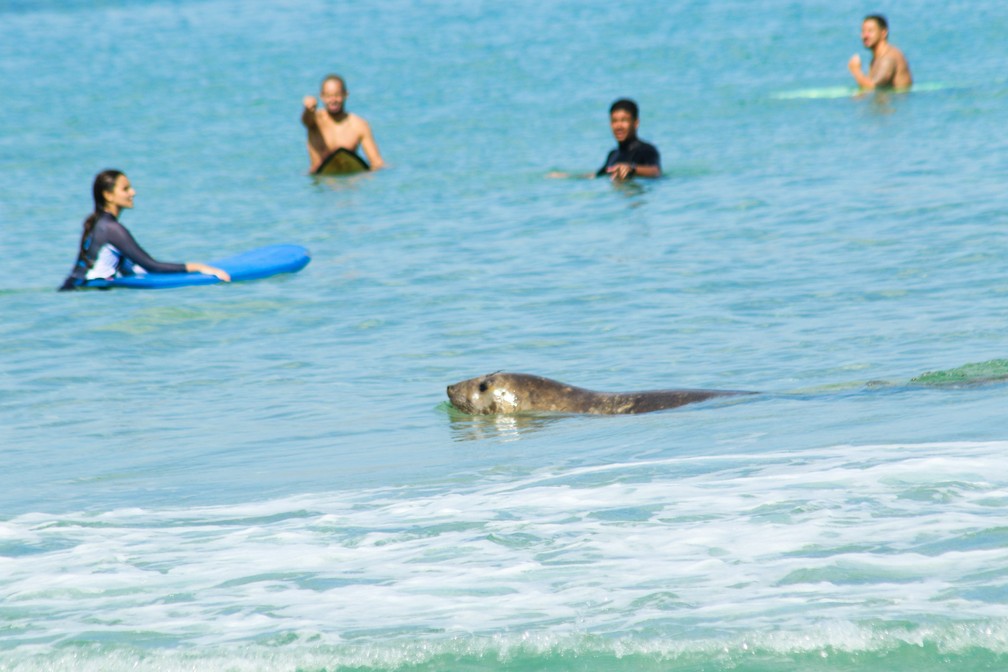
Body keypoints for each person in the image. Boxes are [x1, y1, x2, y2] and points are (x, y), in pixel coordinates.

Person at [60, 170, 230, 291]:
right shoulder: (112, 229)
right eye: (125, 189)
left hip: (75, 287)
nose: (133, 192)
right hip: (88, 292)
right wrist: (200, 267)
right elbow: (152, 266)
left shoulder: (99, 224)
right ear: (108, 195)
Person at [547, 98, 661, 181]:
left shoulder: (646, 150)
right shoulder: (613, 154)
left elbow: (655, 171)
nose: (618, 126)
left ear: (636, 123)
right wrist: (567, 177)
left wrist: (632, 169)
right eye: (614, 121)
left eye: (624, 120)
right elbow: (598, 176)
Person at [301, 74, 385, 173]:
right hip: (322, 182)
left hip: (350, 183)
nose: (333, 100)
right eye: (328, 96)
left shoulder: (359, 125)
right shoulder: (315, 121)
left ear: (346, 95)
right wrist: (308, 109)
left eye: (337, 95)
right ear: (321, 96)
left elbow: (376, 162)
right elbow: (306, 120)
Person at [848, 14, 912, 90]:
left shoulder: (888, 58)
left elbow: (872, 87)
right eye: (863, 31)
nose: (865, 36)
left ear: (883, 33)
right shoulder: (877, 57)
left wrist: (856, 71)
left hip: (898, 101)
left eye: (870, 31)